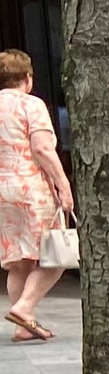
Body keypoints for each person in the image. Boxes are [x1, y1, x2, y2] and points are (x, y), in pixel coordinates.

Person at [0, 49, 73, 342]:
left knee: (19, 260)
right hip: (31, 188)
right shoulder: (31, 105)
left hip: (2, 192)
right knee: (56, 256)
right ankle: (24, 308)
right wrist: (63, 186)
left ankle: (22, 327)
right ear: (28, 78)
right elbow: (42, 148)